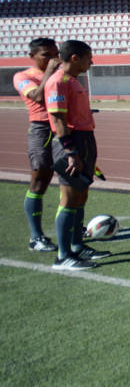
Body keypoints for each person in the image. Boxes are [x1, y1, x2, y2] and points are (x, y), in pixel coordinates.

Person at [45, 40, 109, 269]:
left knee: (80, 195)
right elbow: (58, 119)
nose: (91, 61)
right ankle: (63, 256)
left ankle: (77, 246)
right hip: (72, 142)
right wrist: (71, 151)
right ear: (75, 58)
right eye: (88, 57)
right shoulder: (58, 82)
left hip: (85, 140)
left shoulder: (73, 81)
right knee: (69, 197)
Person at [13, 37, 61, 252]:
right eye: (46, 55)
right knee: (40, 179)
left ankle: (72, 228)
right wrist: (50, 73)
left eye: (55, 54)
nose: (52, 59)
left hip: (62, 127)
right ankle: (36, 236)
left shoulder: (63, 74)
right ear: (32, 56)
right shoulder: (23, 76)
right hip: (41, 129)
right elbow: (38, 97)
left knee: (72, 180)